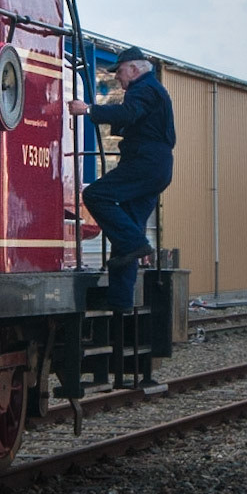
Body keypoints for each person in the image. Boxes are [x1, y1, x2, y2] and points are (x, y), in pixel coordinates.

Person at [68, 47, 175, 310]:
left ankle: (138, 245)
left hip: (145, 163)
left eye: (120, 72)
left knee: (95, 195)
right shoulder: (152, 90)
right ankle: (120, 301)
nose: (118, 79)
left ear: (134, 68)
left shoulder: (144, 88)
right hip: (153, 166)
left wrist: (88, 110)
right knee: (127, 233)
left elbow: (128, 114)